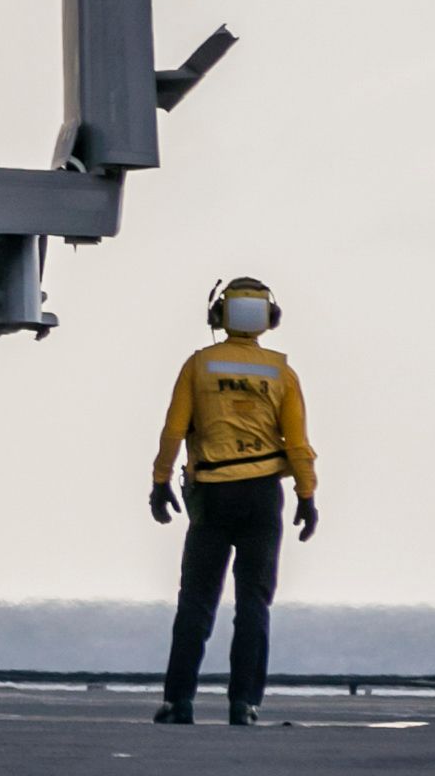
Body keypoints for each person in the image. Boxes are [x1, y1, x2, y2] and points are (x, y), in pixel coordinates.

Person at [151, 276, 319, 726]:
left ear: (218, 316)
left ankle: (178, 702)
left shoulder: (199, 366)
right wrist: (306, 495)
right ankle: (244, 704)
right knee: (254, 604)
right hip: (263, 497)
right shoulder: (282, 372)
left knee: (196, 602)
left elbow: (173, 429)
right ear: (270, 318)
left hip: (211, 495)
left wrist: (160, 480)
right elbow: (298, 443)